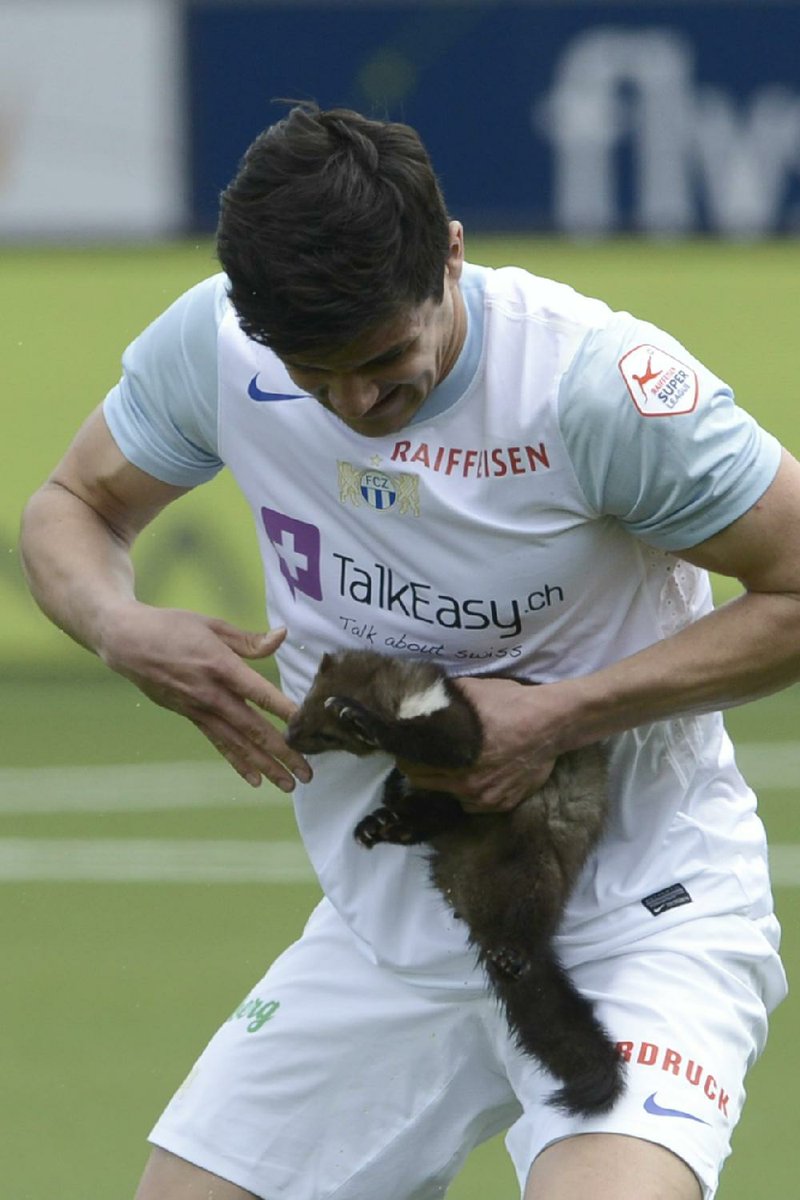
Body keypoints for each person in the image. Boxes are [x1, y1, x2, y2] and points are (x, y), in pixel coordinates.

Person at [20, 102, 799, 1200]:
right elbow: (73, 505)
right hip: (384, 938)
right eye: (313, 372)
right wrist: (117, 624)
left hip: (634, 922)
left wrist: (562, 714)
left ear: (449, 253)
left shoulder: (595, 387)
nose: (354, 403)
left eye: (384, 361)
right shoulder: (216, 344)